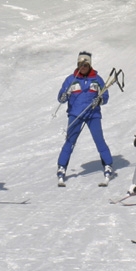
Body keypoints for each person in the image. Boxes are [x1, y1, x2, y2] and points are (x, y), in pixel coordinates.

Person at [56, 51, 113, 186]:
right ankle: (61, 167)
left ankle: (108, 165)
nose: (82, 67)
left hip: (92, 115)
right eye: (80, 65)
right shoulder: (71, 79)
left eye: (85, 65)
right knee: (70, 141)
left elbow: (105, 96)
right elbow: (61, 96)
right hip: (76, 115)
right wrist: (62, 97)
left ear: (89, 65)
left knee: (99, 140)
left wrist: (99, 100)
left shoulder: (97, 79)